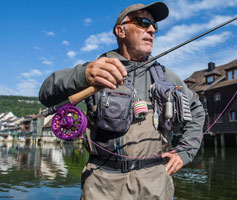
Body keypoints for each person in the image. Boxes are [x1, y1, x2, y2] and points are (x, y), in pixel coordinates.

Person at [39, 2, 205, 199]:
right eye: (143, 22)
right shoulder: (97, 70)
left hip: (156, 184)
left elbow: (197, 110)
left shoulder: (167, 76)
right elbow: (45, 94)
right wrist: (83, 75)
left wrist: (184, 152)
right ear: (120, 31)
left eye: (154, 26)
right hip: (101, 184)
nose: (152, 30)